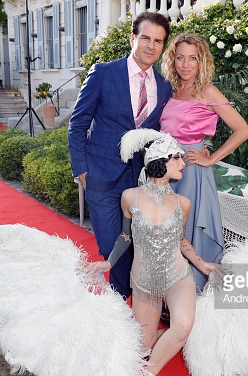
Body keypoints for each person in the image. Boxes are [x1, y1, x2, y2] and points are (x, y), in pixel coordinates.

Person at [91, 129, 220, 376]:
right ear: (161, 162)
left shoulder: (183, 202)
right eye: (177, 158)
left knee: (183, 324)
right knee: (143, 346)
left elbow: (181, 239)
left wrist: (200, 263)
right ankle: (157, 342)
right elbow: (126, 237)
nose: (183, 163)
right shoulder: (130, 197)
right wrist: (108, 261)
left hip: (177, 275)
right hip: (144, 282)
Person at [68, 12, 173, 300]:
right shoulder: (104, 73)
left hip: (141, 180)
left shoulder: (164, 86)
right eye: (145, 38)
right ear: (132, 38)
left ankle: (127, 305)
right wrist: (81, 168)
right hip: (100, 176)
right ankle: (121, 303)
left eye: (158, 41)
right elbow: (77, 124)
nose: (151, 46)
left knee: (138, 243)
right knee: (111, 244)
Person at [159, 33, 248, 292]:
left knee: (186, 230)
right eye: (180, 57)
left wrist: (210, 158)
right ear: (172, 60)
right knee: (167, 229)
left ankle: (191, 291)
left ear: (202, 62)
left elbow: (242, 130)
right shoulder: (171, 89)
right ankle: (170, 291)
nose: (185, 64)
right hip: (166, 170)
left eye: (192, 58)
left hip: (190, 172)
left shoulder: (207, 90)